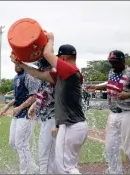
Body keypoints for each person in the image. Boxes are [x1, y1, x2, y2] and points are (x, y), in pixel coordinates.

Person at [11, 32, 88, 174]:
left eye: (58, 58)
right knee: (62, 165)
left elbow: (47, 54)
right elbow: (38, 74)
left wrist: (51, 39)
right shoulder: (63, 75)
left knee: (64, 166)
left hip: (71, 125)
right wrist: (20, 64)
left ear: (63, 58)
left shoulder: (69, 70)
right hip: (70, 125)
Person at [85, 50, 130, 174]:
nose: (113, 65)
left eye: (115, 62)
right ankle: (116, 172)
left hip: (127, 113)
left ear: (123, 61)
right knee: (110, 147)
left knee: (128, 150)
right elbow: (110, 83)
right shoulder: (112, 71)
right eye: (111, 62)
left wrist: (128, 94)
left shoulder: (129, 73)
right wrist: (97, 87)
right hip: (113, 113)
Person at [0, 64, 41, 174]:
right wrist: (7, 106)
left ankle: (26, 171)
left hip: (28, 114)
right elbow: (17, 98)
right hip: (18, 114)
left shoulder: (29, 76)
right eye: (15, 63)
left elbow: (34, 96)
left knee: (21, 144)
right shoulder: (17, 77)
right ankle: (33, 168)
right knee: (13, 143)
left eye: (20, 63)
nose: (17, 65)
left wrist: (20, 107)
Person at [28, 57, 56, 174]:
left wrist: (58, 123)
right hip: (46, 120)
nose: (38, 69)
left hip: (53, 120)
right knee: (48, 156)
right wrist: (34, 105)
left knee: (45, 156)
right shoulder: (44, 81)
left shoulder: (53, 77)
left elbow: (62, 101)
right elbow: (45, 95)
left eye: (40, 67)